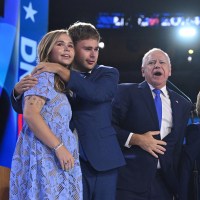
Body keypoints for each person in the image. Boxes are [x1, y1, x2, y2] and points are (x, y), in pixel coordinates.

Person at [11, 22, 125, 200]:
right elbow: (29, 111)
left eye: (96, 49)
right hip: (63, 159)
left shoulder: (108, 73)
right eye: (87, 49)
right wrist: (18, 92)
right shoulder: (50, 77)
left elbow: (96, 93)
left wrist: (58, 68)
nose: (93, 54)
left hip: (101, 160)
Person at [112, 48, 193, 200]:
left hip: (165, 183)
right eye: (151, 62)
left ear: (169, 71)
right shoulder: (125, 92)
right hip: (129, 181)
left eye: (162, 62)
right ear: (143, 71)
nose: (157, 65)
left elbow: (177, 146)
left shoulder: (182, 103)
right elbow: (108, 127)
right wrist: (136, 139)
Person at [9, 29, 82, 199]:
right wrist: (59, 147)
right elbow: (30, 114)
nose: (66, 49)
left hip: (56, 154)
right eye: (60, 44)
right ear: (48, 49)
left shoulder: (60, 81)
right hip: (45, 152)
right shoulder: (43, 76)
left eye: (70, 46)